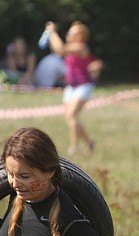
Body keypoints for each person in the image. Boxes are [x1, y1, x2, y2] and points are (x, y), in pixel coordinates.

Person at [46, 20, 103, 156]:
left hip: (83, 86)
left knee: (71, 115)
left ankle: (74, 147)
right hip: (71, 87)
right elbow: (58, 49)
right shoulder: (71, 47)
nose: (69, 35)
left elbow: (60, 49)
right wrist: (51, 34)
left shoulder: (80, 47)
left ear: (80, 36)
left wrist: (52, 32)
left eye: (72, 33)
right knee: (71, 117)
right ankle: (89, 142)